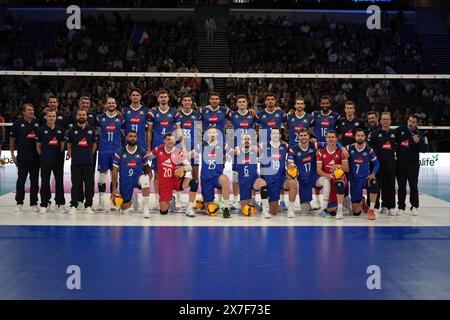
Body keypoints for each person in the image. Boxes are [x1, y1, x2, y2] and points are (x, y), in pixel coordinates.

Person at [150, 133, 198, 217]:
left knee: (194, 182)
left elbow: (189, 167)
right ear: (164, 140)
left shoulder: (178, 152)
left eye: (172, 140)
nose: (170, 141)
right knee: (163, 211)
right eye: (168, 139)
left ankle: (189, 208)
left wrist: (182, 169)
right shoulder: (158, 149)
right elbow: (148, 158)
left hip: (175, 180)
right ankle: (171, 200)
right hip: (164, 184)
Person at [255, 94, 288, 210]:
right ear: (265, 102)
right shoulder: (259, 114)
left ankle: (282, 201)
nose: (270, 101)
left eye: (272, 99)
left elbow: (285, 128)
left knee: (280, 171)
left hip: (278, 145)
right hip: (265, 146)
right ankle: (264, 199)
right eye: (268, 99)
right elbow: (257, 129)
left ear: (275, 101)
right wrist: (259, 142)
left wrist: (283, 141)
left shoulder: (281, 113)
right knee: (265, 174)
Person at [147, 90, 178, 210]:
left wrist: (180, 147)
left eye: (165, 97)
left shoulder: (174, 112)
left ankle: (172, 198)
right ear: (158, 98)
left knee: (172, 173)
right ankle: (157, 199)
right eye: (161, 97)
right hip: (157, 147)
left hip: (171, 147)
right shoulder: (153, 113)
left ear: (168, 98)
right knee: (157, 175)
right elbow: (149, 132)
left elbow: (178, 131)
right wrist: (149, 148)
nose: (163, 99)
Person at [193, 126, 231, 218]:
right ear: (207, 135)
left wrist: (230, 155)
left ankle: (226, 207)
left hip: (217, 177)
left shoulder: (223, 145)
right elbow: (191, 154)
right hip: (206, 178)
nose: (212, 134)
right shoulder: (201, 145)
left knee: (225, 179)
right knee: (209, 210)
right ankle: (203, 207)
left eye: (214, 132)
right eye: (210, 133)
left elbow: (235, 152)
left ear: (217, 134)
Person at [259, 127, 298, 218]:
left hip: (281, 178)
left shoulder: (286, 146)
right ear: (270, 135)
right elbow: (250, 149)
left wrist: (291, 166)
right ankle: (268, 205)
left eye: (277, 133)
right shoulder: (262, 146)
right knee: (274, 212)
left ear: (280, 135)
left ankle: (291, 210)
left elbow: (290, 161)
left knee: (293, 182)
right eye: (273, 133)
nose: (275, 135)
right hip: (269, 179)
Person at [111, 131, 151, 218]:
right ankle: (133, 198)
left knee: (145, 179)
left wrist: (148, 178)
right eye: (130, 136)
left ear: (137, 138)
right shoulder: (119, 152)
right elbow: (114, 171)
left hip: (137, 178)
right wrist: (114, 189)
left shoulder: (142, 151)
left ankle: (146, 209)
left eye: (134, 136)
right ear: (126, 138)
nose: (132, 138)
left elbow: (146, 166)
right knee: (124, 210)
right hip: (125, 180)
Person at [10, 103, 40, 212]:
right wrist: (13, 155)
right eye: (29, 110)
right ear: (23, 112)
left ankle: (33, 203)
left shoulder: (37, 123)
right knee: (21, 181)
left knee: (35, 181)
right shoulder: (17, 124)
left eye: (32, 110)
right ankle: (19, 203)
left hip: (35, 158)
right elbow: (12, 140)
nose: (31, 111)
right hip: (22, 158)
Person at [65, 109, 97, 215]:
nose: (82, 116)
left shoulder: (91, 130)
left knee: (89, 184)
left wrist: (90, 155)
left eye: (83, 114)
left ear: (86, 117)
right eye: (80, 115)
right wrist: (70, 153)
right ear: (76, 117)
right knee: (75, 184)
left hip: (88, 162)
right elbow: (69, 144)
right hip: (76, 162)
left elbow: (94, 144)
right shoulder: (72, 130)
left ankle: (88, 205)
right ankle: (74, 205)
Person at [395, 114, 427, 216]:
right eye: (410, 121)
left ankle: (414, 206)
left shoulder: (420, 134)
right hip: (400, 164)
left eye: (413, 122)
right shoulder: (400, 130)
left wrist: (416, 142)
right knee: (401, 186)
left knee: (413, 186)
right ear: (407, 121)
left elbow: (424, 149)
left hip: (413, 164)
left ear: (416, 123)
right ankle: (401, 207)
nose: (411, 123)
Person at [96, 97, 124, 211]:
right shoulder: (100, 118)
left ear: (116, 104)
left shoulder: (121, 118)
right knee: (102, 175)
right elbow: (96, 132)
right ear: (105, 104)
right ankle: (101, 201)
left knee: (115, 175)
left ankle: (113, 200)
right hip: (103, 150)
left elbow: (124, 133)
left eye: (113, 103)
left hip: (116, 151)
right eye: (109, 103)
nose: (111, 105)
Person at [36, 110, 66, 214]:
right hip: (45, 160)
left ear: (56, 117)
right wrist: (43, 155)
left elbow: (62, 146)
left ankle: (59, 203)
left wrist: (59, 155)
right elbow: (38, 146)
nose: (52, 118)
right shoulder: (40, 130)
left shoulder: (60, 130)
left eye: (53, 116)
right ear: (46, 117)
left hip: (58, 160)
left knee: (59, 182)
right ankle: (44, 204)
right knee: (44, 182)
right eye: (50, 116)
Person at [367, 112, 397, 216]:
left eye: (387, 119)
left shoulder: (394, 134)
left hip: (391, 165)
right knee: (376, 186)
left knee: (390, 186)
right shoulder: (374, 134)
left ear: (390, 121)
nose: (386, 121)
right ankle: (375, 206)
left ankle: (389, 206)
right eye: (383, 119)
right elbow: (368, 148)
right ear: (380, 121)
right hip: (378, 165)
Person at [229, 95, 256, 211]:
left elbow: (258, 128)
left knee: (251, 174)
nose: (241, 103)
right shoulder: (233, 115)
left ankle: (252, 198)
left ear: (247, 103)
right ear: (236, 104)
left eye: (243, 101)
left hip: (250, 150)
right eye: (239, 102)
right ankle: (235, 200)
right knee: (236, 176)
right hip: (237, 149)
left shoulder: (252, 115)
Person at [233, 133, 270, 218]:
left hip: (254, 179)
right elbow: (226, 151)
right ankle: (246, 202)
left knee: (263, 183)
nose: (246, 140)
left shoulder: (254, 150)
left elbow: (266, 151)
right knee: (245, 210)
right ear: (241, 141)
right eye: (244, 139)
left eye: (248, 139)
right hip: (243, 182)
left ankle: (265, 210)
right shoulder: (238, 150)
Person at [346, 129, 380, 220]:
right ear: (355, 137)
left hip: (366, 179)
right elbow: (338, 148)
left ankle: (371, 209)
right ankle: (362, 201)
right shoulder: (349, 148)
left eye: (362, 135)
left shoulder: (369, 150)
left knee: (374, 183)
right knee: (356, 213)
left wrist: (373, 174)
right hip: (354, 181)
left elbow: (377, 163)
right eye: (358, 135)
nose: (360, 137)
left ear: (365, 137)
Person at [316, 130, 349, 219]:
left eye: (332, 137)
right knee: (331, 210)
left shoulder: (341, 152)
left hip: (337, 178)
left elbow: (346, 168)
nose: (330, 139)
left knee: (340, 183)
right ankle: (325, 208)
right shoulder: (320, 152)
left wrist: (339, 166)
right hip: (327, 177)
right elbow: (318, 170)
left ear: (336, 139)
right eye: (329, 137)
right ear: (326, 139)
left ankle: (340, 210)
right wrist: (328, 176)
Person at [175, 94, 201, 208]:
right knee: (179, 174)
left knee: (195, 175)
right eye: (184, 100)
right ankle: (179, 199)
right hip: (180, 149)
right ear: (182, 102)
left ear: (192, 102)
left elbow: (199, 132)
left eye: (189, 100)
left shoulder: (197, 115)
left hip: (194, 149)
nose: (187, 102)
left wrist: (198, 147)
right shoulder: (177, 115)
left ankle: (193, 200)